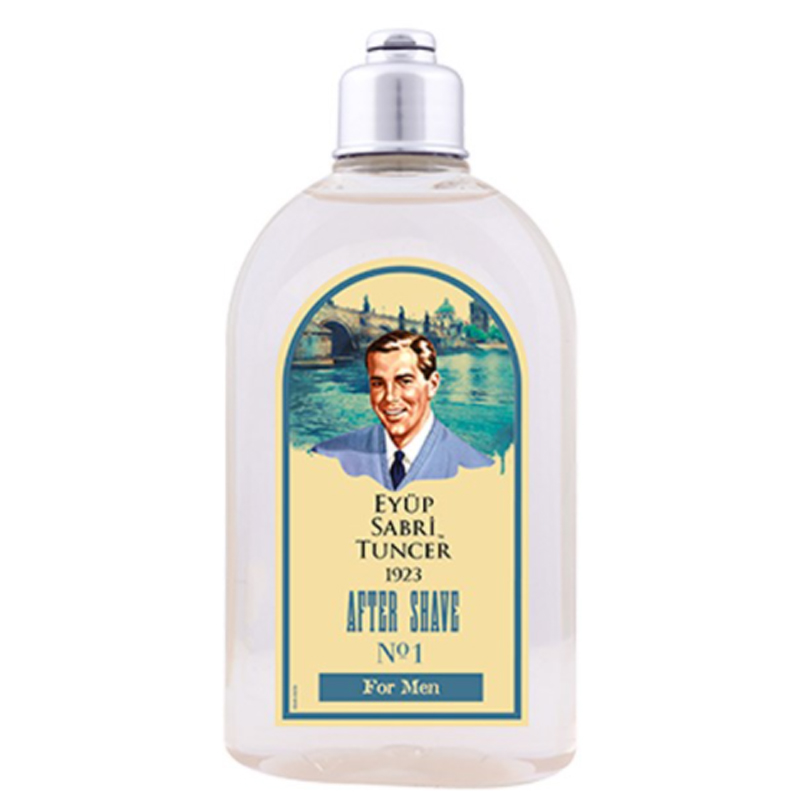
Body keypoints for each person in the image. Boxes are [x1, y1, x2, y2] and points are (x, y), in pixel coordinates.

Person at [312, 330, 493, 489]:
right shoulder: (326, 458)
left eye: (405, 381)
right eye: (378, 384)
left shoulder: (477, 472)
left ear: (432, 385)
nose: (390, 397)